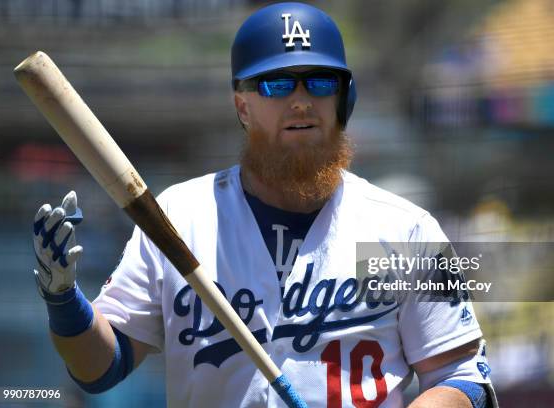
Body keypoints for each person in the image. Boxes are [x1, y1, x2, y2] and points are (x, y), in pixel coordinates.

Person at [32, 2, 497, 407]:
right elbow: (101, 369)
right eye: (276, 84)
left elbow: (463, 377)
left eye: (318, 82)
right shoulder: (180, 217)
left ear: (342, 99)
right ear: (243, 106)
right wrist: (65, 302)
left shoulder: (403, 230)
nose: (301, 101)